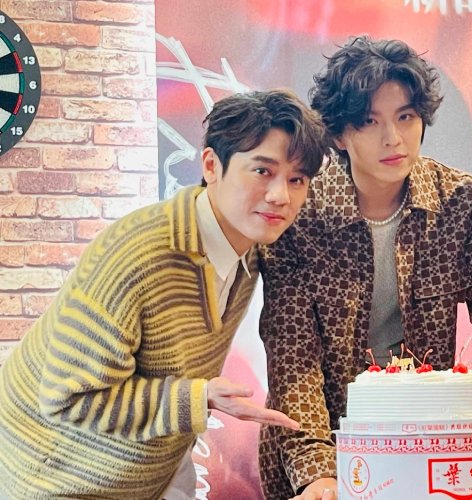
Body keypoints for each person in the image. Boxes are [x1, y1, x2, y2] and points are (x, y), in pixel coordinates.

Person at [0, 89, 329, 499]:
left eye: (297, 180)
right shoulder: (137, 254)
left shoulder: (252, 245)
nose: (281, 196)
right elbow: (69, 398)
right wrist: (199, 397)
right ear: (211, 165)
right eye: (262, 171)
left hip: (150, 471)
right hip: (58, 475)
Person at [257, 37, 472, 500]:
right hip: (320, 448)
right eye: (370, 122)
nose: (393, 138)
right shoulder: (300, 212)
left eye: (406, 117)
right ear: (339, 135)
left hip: (421, 450)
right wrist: (319, 474)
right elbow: (294, 362)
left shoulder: (458, 200)